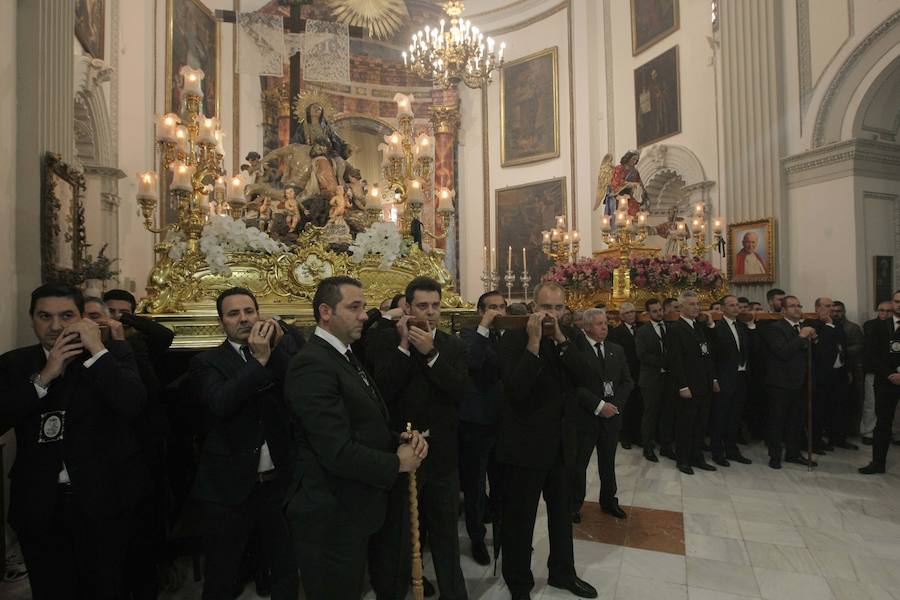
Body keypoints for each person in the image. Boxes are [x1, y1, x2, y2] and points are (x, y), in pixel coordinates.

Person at [0, 284, 149, 599]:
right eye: (45, 316)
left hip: (103, 504)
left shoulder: (111, 357)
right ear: (31, 319)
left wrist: (96, 351)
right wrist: (45, 376)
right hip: (40, 507)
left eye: (66, 316)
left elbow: (132, 404)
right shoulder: (14, 364)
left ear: (83, 318)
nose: (55, 326)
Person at [283, 276, 427, 597]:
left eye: (363, 307)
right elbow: (336, 450)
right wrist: (396, 463)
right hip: (329, 515)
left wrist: (398, 439)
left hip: (354, 508)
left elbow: (363, 424)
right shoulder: (311, 364)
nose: (365, 315)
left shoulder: (343, 354)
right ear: (325, 312)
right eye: (355, 307)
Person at [189, 288, 301, 600]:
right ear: (221, 321)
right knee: (222, 574)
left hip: (278, 484)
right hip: (228, 486)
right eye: (234, 314)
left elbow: (298, 392)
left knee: (285, 568)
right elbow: (221, 403)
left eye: (249, 311)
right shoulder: (206, 362)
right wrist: (259, 360)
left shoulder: (278, 356)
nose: (243, 319)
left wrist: (274, 352)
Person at [367, 276, 469, 600]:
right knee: (402, 535)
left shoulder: (453, 345)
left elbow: (459, 391)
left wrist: (432, 354)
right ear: (407, 308)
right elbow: (382, 393)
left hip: (442, 455)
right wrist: (404, 348)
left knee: (445, 535)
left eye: (435, 305)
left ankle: (455, 594)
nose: (430, 312)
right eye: (422, 305)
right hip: (403, 453)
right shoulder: (385, 341)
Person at [497, 281, 597, 600]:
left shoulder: (573, 337)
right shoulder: (514, 338)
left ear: (565, 309)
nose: (551, 314)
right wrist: (535, 343)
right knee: (521, 519)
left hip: (562, 444)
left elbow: (589, 377)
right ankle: (519, 582)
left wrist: (563, 341)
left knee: (561, 515)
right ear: (532, 307)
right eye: (545, 307)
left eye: (558, 307)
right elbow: (516, 390)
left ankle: (562, 573)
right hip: (526, 446)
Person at [570, 308, 634, 521]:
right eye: (598, 323)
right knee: (580, 464)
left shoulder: (616, 349)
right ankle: (574, 505)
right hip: (586, 417)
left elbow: (627, 381)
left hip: (611, 417)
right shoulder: (576, 350)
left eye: (605, 323)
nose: (604, 327)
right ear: (586, 327)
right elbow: (575, 386)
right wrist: (599, 406)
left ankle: (609, 501)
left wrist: (614, 406)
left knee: (608, 463)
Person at [458, 291, 506, 566]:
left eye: (501, 307)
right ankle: (477, 537)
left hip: (503, 422)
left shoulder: (509, 336)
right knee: (475, 486)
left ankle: (502, 534)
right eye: (491, 307)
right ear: (480, 311)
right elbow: (472, 361)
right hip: (476, 422)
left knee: (502, 484)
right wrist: (484, 326)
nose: (498, 312)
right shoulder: (469, 334)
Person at [758, 295, 817, 469]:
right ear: (783, 310)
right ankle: (775, 456)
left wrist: (814, 339)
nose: (797, 309)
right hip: (780, 383)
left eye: (799, 305)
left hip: (800, 382)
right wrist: (801, 337)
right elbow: (782, 352)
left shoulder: (804, 327)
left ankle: (793, 453)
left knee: (797, 421)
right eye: (792, 306)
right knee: (778, 421)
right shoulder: (775, 328)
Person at [665, 291, 719, 475]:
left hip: (703, 384)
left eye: (698, 304)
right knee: (686, 425)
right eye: (692, 304)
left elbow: (707, 355)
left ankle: (697, 457)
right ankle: (683, 460)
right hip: (688, 386)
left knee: (700, 424)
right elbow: (675, 361)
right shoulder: (676, 329)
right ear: (681, 307)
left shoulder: (698, 327)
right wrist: (683, 386)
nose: (696, 307)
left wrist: (713, 379)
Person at [707, 295, 753, 466]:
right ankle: (718, 452)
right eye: (731, 305)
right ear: (723, 308)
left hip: (741, 376)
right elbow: (712, 356)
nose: (736, 308)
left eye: (737, 305)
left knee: (735, 416)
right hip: (724, 378)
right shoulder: (717, 328)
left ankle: (732, 450)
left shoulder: (741, 326)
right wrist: (714, 379)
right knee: (720, 416)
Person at [859, 290, 900, 474]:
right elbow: (871, 355)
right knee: (882, 423)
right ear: (893, 303)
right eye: (897, 301)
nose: (899, 304)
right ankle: (878, 463)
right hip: (885, 381)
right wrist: (890, 373)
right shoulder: (879, 327)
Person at [810, 297, 856, 452]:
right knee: (819, 409)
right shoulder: (813, 324)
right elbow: (821, 347)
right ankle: (816, 442)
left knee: (840, 408)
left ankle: (838, 439)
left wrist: (847, 369)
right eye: (827, 306)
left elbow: (843, 347)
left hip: (839, 372)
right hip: (822, 374)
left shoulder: (837, 324)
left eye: (832, 306)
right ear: (817, 308)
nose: (831, 309)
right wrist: (828, 324)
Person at [635, 298, 675, 462]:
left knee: (668, 413)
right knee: (650, 415)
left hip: (668, 378)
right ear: (648, 313)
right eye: (655, 311)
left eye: (660, 310)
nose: (659, 313)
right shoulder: (643, 331)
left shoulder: (671, 327)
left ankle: (666, 446)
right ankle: (648, 447)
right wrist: (665, 361)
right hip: (651, 379)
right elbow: (642, 355)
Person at [607, 302, 642, 450]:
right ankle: (625, 436)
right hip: (625, 373)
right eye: (627, 313)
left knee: (640, 406)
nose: (631, 315)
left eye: (633, 312)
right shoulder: (616, 332)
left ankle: (638, 435)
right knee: (626, 406)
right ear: (621, 316)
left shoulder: (641, 328)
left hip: (641, 372)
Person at [861, 301, 894, 444]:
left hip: (894, 372)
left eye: (888, 311)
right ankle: (868, 432)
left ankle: (895, 432)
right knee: (871, 403)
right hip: (874, 370)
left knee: (894, 405)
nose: (884, 313)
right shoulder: (870, 325)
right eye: (881, 310)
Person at [833, 300, 864, 442]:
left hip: (850, 369)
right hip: (834, 371)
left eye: (838, 311)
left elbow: (859, 346)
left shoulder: (852, 327)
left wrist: (841, 351)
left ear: (844, 312)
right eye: (833, 311)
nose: (835, 314)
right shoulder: (829, 326)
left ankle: (850, 431)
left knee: (850, 402)